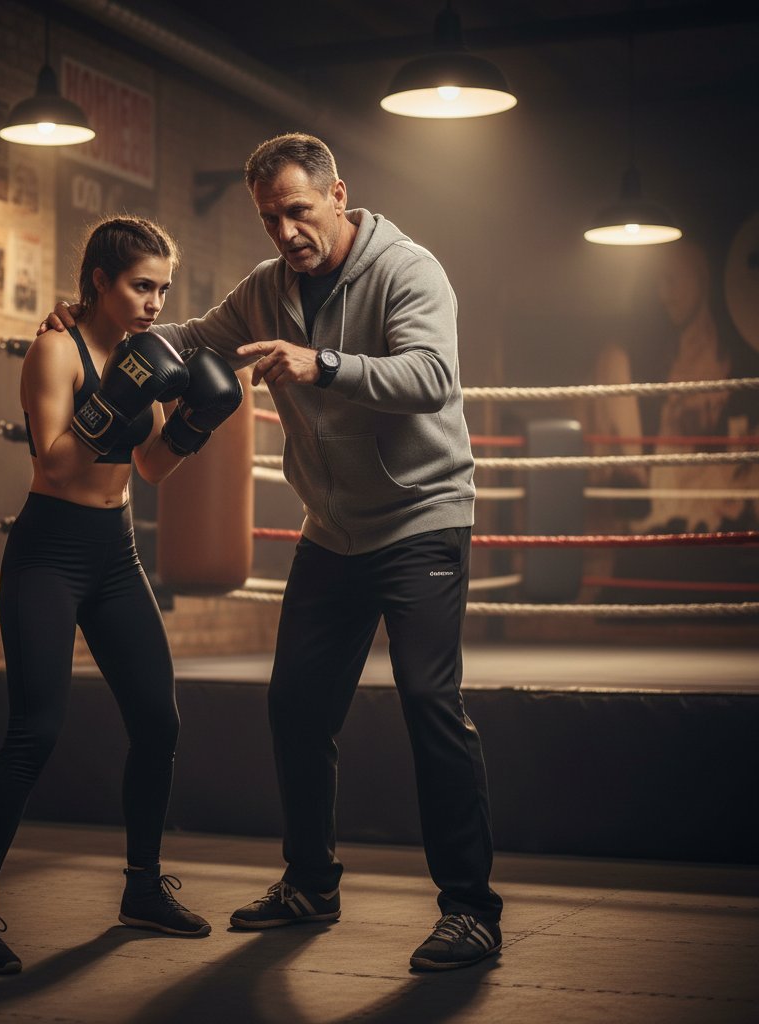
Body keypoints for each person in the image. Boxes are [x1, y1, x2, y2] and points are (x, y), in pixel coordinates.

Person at [42, 133, 503, 971]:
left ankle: (470, 909)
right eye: (269, 217)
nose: (286, 230)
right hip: (332, 530)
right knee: (294, 706)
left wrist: (320, 362)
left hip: (420, 518)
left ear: (337, 194)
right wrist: (96, 322)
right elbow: (191, 336)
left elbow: (432, 376)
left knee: (429, 705)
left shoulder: (410, 271)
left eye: (297, 209)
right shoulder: (266, 289)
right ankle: (310, 882)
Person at [0, 215, 243, 974]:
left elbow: (144, 470)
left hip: (115, 553)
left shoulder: (146, 350)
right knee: (34, 733)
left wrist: (193, 428)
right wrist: (114, 397)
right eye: (142, 286)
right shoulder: (56, 347)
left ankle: (142, 888)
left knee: (157, 719)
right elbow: (52, 463)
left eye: (164, 288)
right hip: (48, 552)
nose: (155, 301)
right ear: (100, 282)